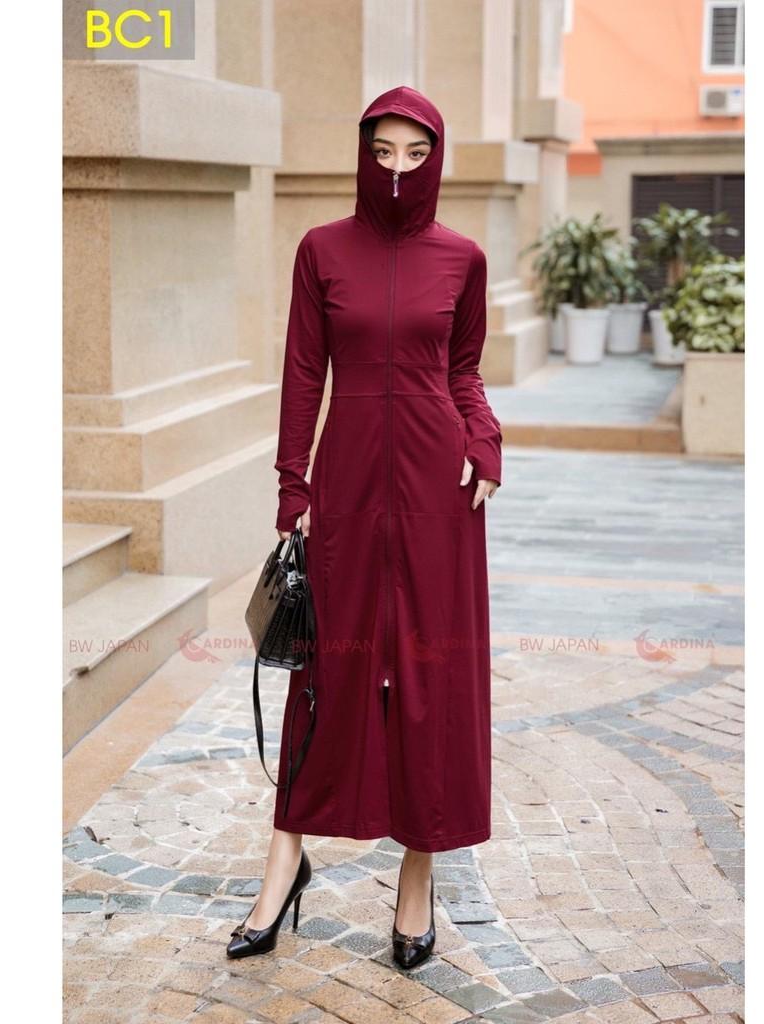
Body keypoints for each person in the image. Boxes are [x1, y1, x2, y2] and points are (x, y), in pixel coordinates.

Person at [228, 86, 502, 970]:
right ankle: (284, 862)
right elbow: (303, 373)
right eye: (382, 152)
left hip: (437, 489)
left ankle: (419, 874)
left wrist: (485, 440)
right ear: (362, 153)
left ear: (437, 158)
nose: (396, 171)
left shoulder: (463, 258)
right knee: (325, 669)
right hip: (344, 486)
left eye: (415, 155)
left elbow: (464, 372)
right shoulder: (322, 250)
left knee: (430, 676)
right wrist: (293, 484)